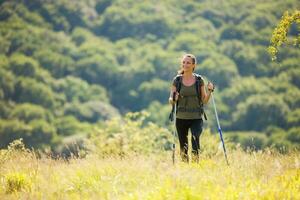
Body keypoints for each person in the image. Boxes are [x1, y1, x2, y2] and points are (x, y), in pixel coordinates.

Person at [169, 53, 214, 163]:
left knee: (195, 139)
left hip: (196, 117)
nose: (185, 64)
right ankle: (185, 167)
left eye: (188, 63)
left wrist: (210, 91)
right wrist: (174, 98)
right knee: (183, 145)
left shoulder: (199, 80)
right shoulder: (177, 80)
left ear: (194, 65)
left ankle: (195, 164)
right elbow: (171, 100)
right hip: (181, 117)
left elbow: (204, 100)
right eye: (184, 62)